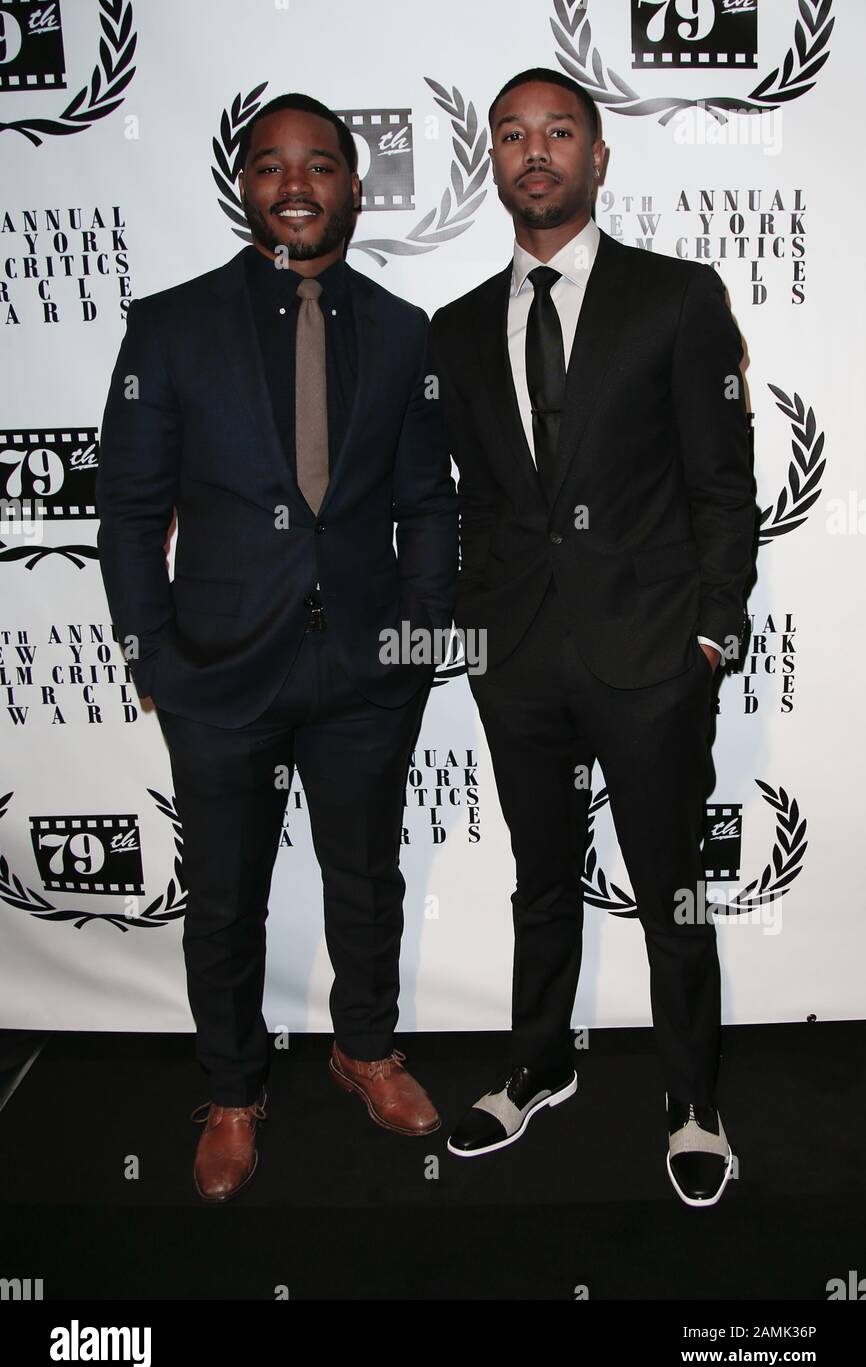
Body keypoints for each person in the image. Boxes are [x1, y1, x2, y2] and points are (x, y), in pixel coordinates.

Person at [97, 93, 458, 1203]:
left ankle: (363, 1047)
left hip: (361, 668)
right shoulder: (169, 324)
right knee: (223, 896)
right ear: (242, 185)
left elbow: (425, 502)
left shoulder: (403, 330)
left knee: (366, 879)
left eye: (317, 164)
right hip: (214, 666)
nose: (292, 183)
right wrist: (151, 650)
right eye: (268, 165)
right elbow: (125, 508)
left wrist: (420, 627)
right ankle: (235, 1087)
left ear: (354, 184)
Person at [430, 68, 756, 1206]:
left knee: (670, 885)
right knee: (538, 876)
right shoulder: (457, 329)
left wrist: (714, 631)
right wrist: (470, 632)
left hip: (654, 653)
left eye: (557, 132)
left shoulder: (673, 298)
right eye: (511, 135)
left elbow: (721, 482)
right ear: (492, 162)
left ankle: (691, 1095)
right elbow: (464, 502)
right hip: (517, 658)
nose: (534, 152)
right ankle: (536, 1063)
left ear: (597, 156)